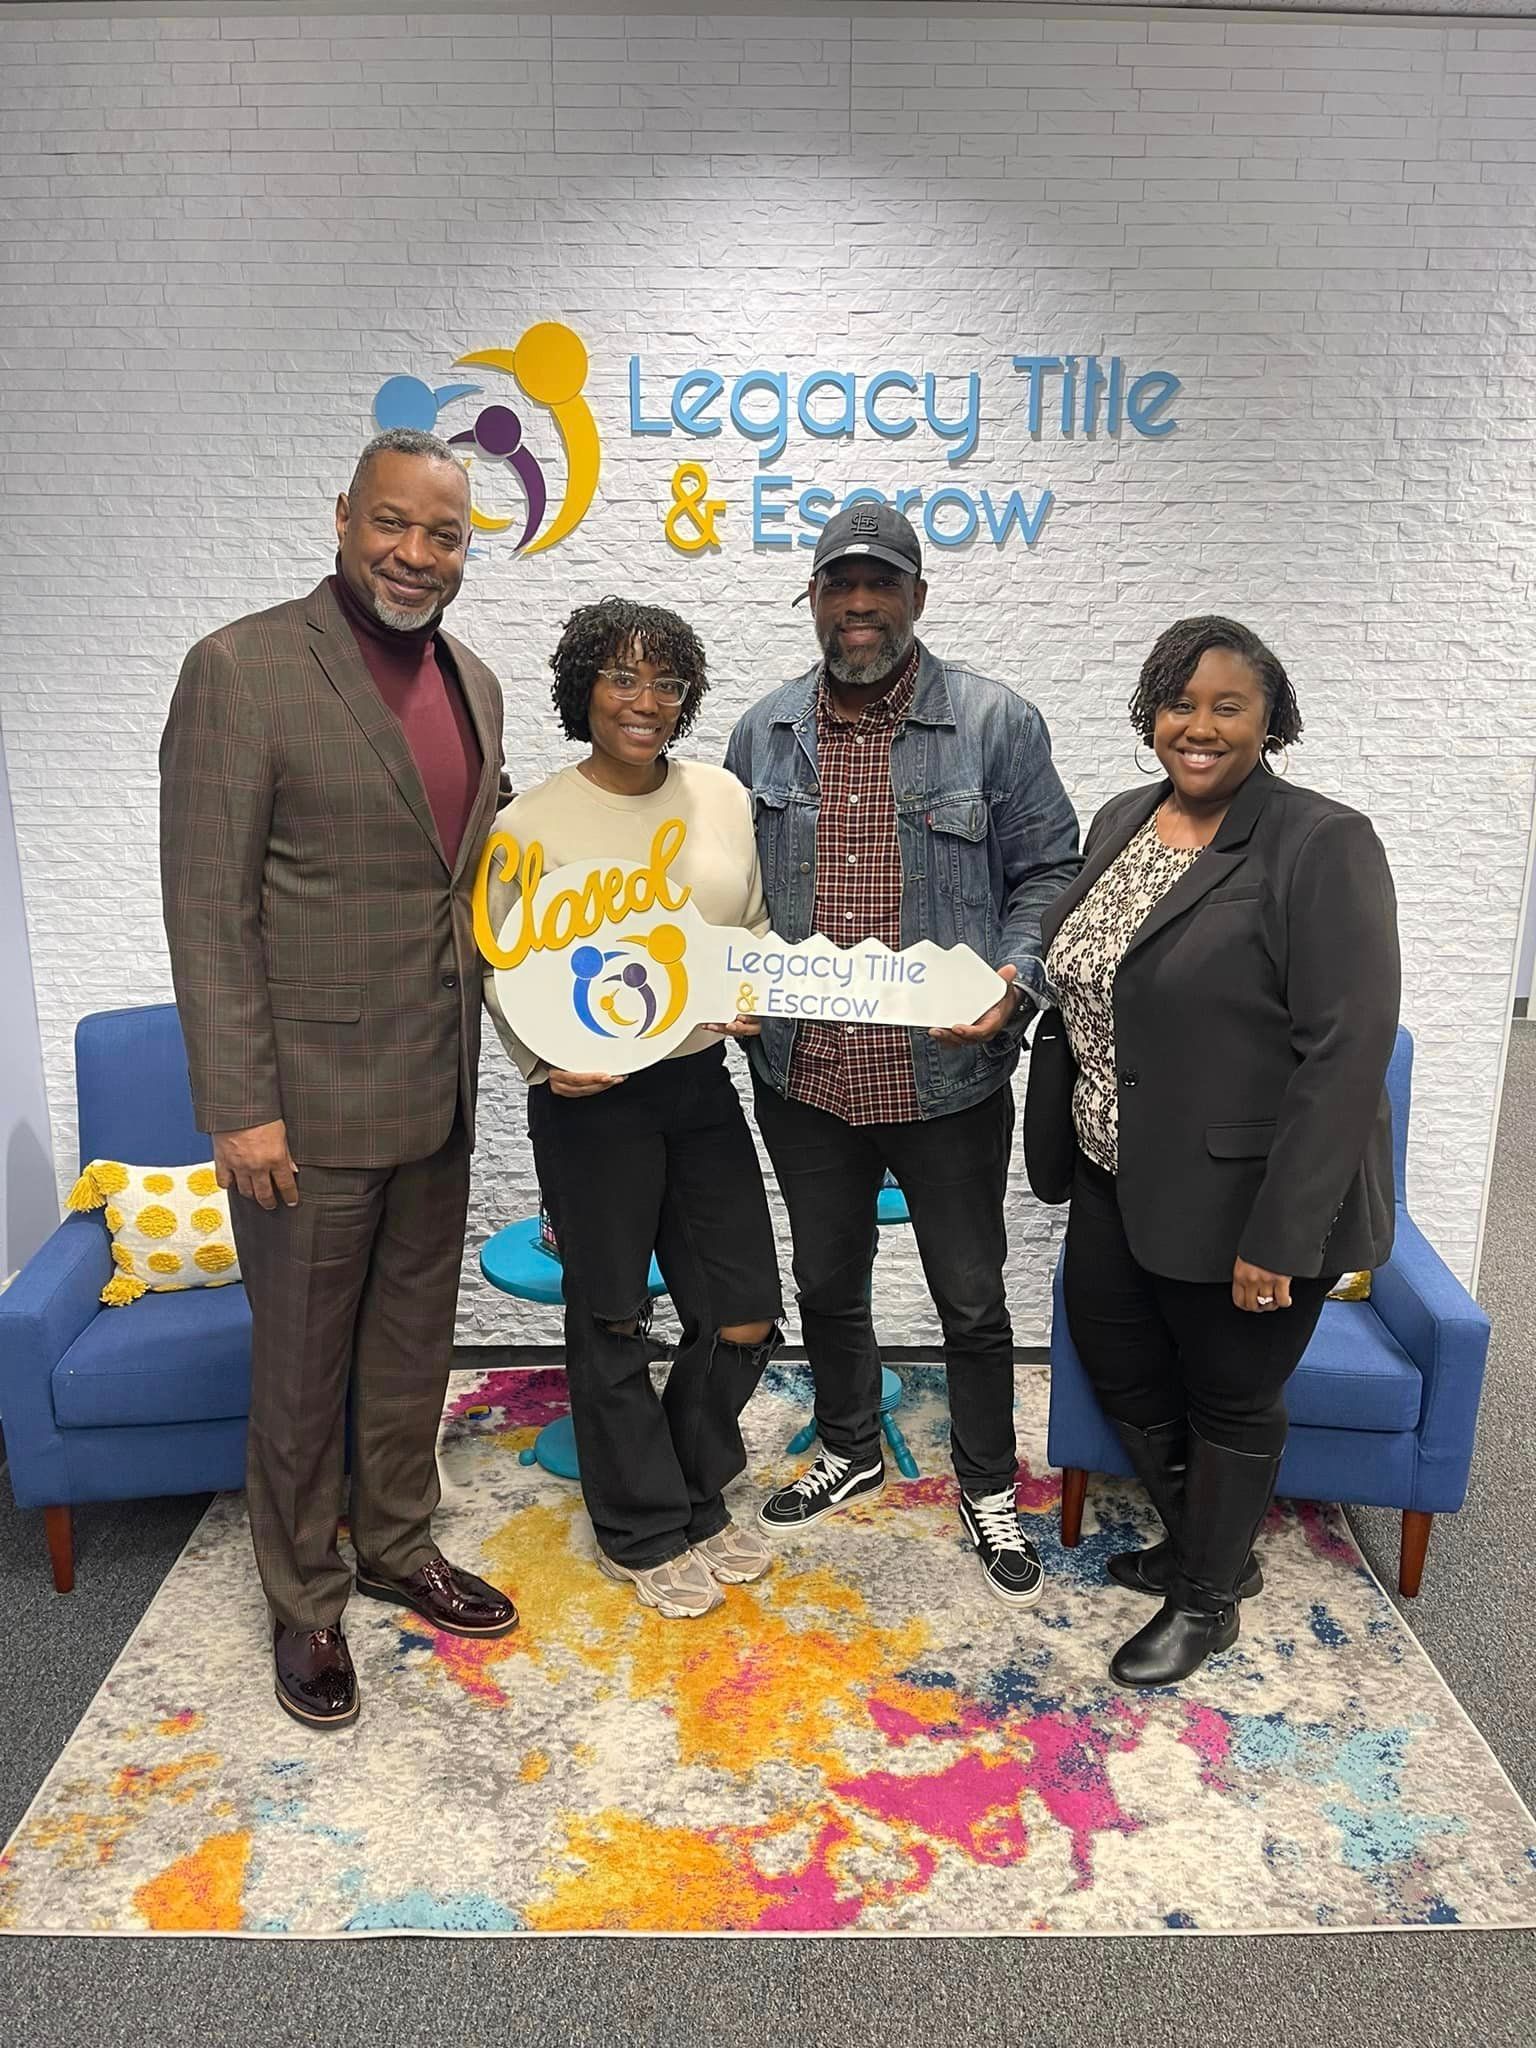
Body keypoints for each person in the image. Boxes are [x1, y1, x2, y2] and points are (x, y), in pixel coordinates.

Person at [160, 427, 518, 1732]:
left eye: (444, 534)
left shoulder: (477, 684)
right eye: (394, 524)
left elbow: (484, 889)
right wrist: (239, 1104)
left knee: (410, 1351)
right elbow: (207, 914)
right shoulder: (242, 672)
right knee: (303, 1370)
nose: (416, 554)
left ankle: (395, 1541)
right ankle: (306, 1597)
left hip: (436, 1090)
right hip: (302, 1110)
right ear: (343, 517)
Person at [1032, 614, 1400, 1687]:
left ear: (1268, 720)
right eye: (1178, 703)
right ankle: (1212, 1542)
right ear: (1151, 715)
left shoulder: (1319, 841)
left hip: (1251, 1195)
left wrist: (1280, 1237)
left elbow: (1346, 1051)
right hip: (1114, 1166)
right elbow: (1087, 974)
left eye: (1226, 706)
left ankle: (1205, 1600)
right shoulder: (1123, 818)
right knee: (1124, 1363)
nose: (1198, 727)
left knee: (1232, 1396)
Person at [725, 504, 1081, 1606]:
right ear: (816, 600)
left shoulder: (995, 724)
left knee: (971, 1297)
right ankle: (852, 1440)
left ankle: (985, 1483)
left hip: (948, 1077)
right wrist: (724, 983)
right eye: (841, 586)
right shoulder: (762, 732)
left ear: (917, 598)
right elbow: (730, 894)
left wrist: (1013, 986)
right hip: (806, 1076)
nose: (861, 605)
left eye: (881, 586)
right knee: (826, 1280)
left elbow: (1050, 872)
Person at [483, 597, 783, 1622]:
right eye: (622, 677)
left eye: (666, 682)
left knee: (742, 1308)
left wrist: (751, 987)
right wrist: (536, 1059)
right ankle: (641, 1525)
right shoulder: (528, 823)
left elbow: (751, 925)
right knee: (612, 1315)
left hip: (698, 1079)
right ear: (584, 690)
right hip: (590, 1099)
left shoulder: (723, 797)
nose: (645, 701)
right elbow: (497, 958)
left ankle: (696, 1487)